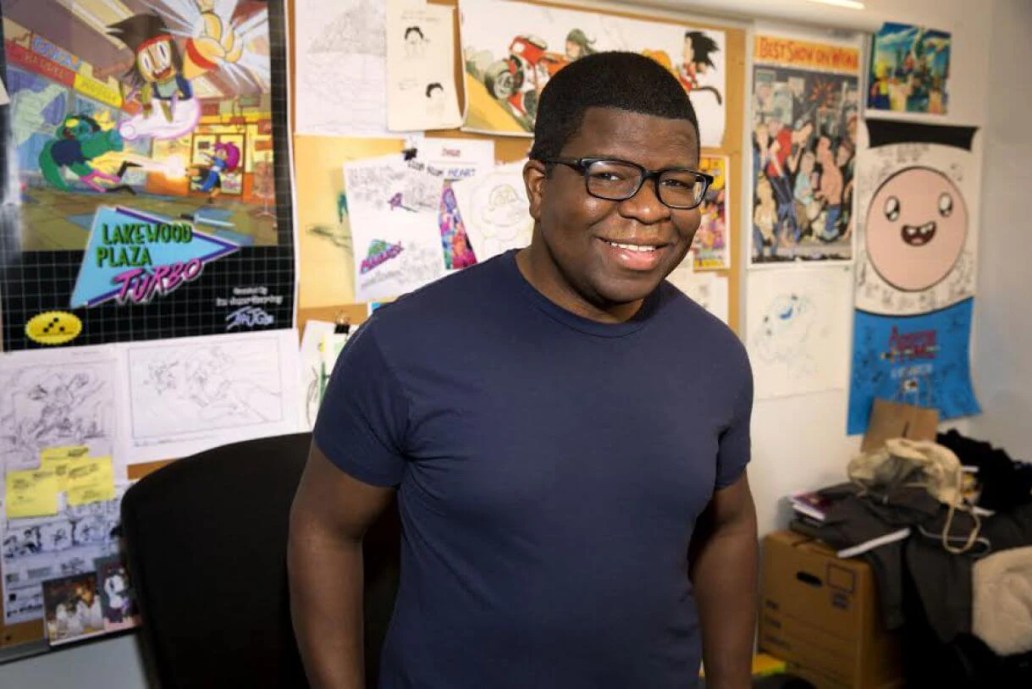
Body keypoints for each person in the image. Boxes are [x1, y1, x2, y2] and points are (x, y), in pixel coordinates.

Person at [289, 51, 757, 689]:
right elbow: (323, 529)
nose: (650, 210)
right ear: (539, 186)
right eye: (611, 176)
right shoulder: (405, 347)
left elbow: (730, 526)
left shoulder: (715, 356)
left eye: (675, 182)